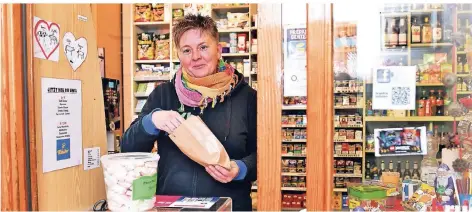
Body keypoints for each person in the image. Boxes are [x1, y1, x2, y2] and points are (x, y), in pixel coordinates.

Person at [121, 14, 257, 211]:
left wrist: (241, 169)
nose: (195, 57)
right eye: (187, 50)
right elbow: (128, 149)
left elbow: (263, 155)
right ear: (179, 55)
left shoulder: (247, 98)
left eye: (203, 47)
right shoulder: (163, 95)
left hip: (229, 206)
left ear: (218, 50)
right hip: (171, 206)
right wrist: (151, 121)